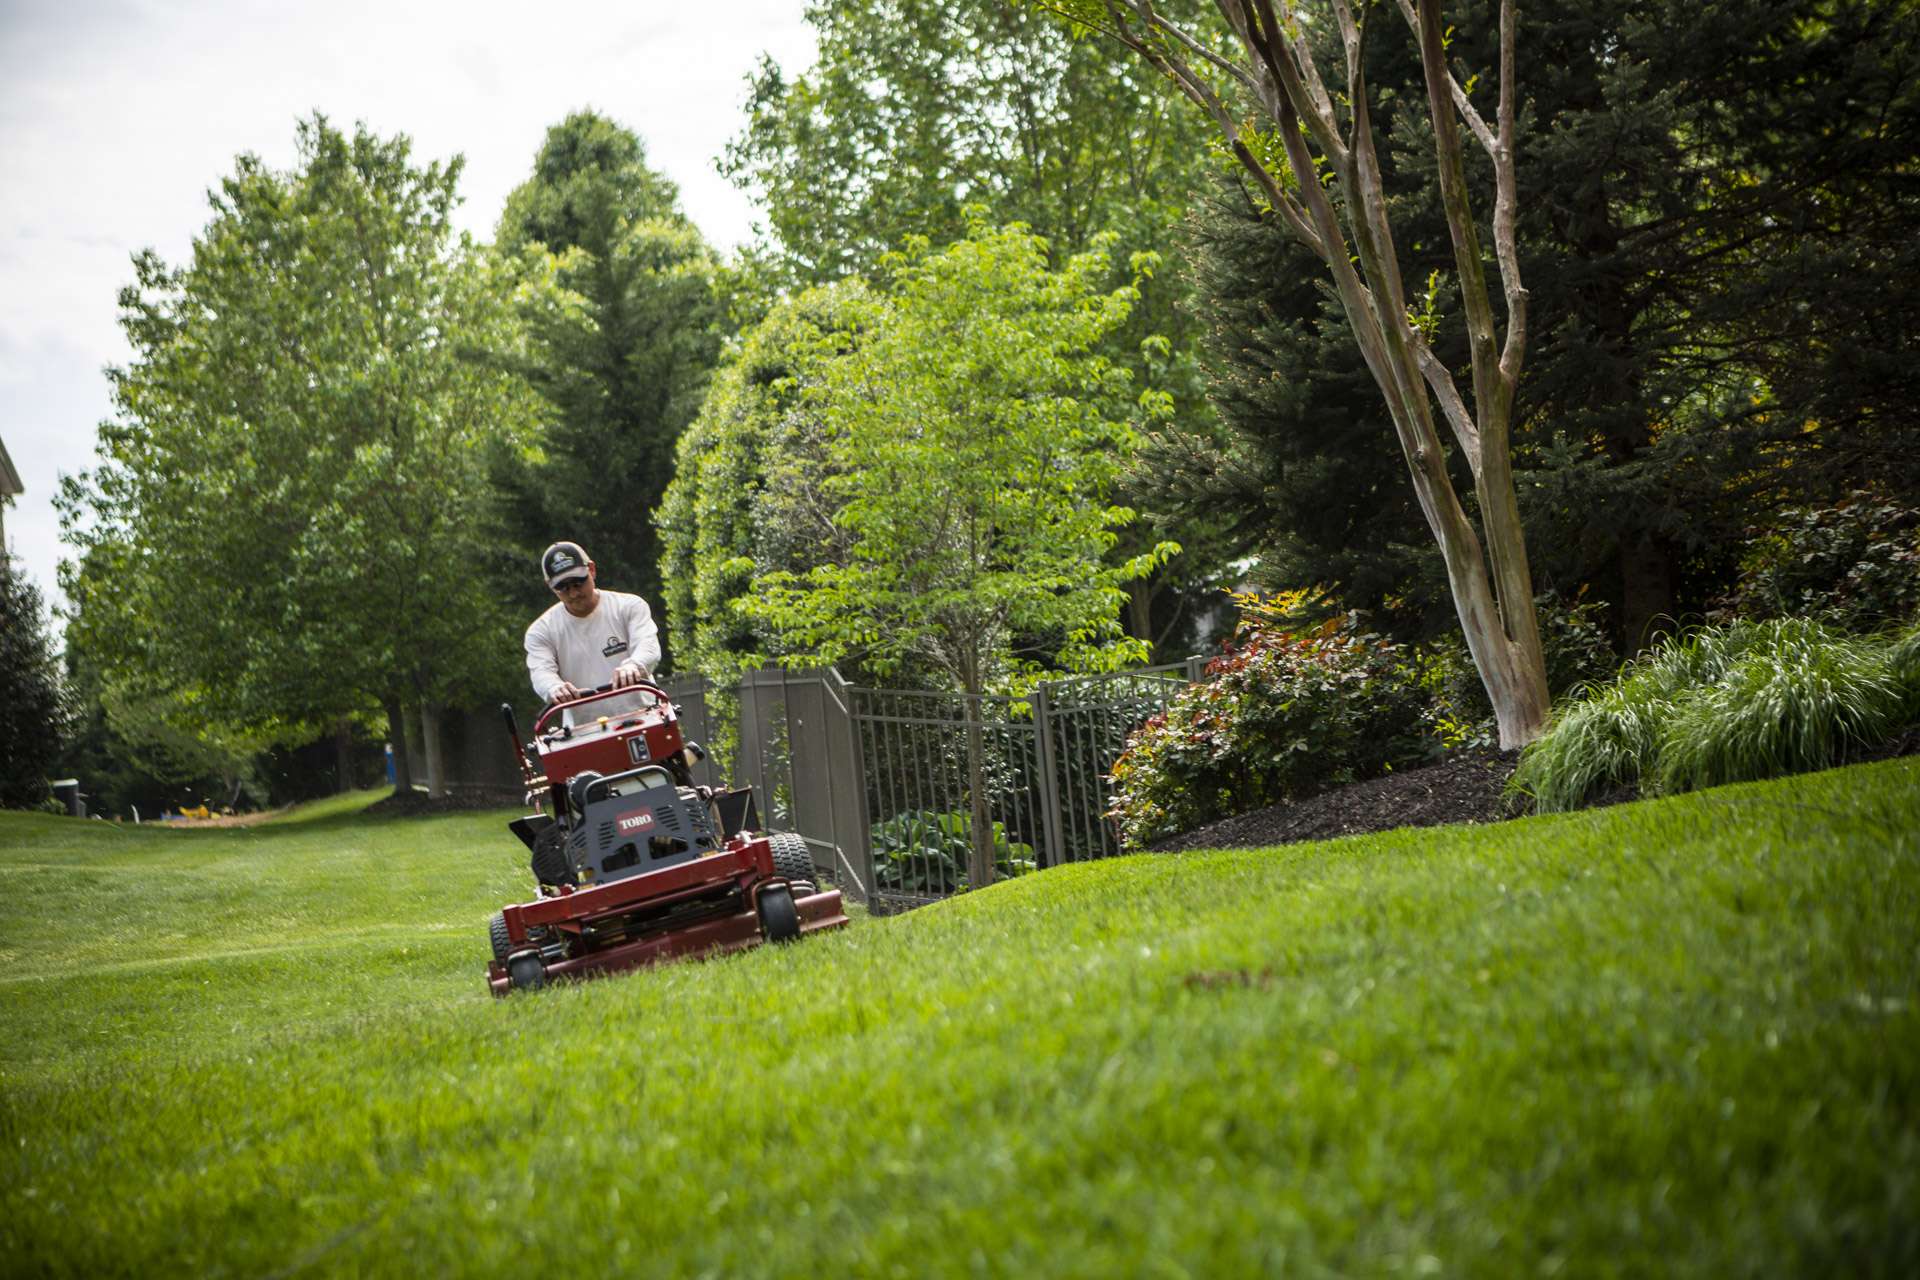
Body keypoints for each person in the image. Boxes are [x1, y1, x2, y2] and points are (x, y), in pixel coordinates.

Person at [524, 541, 662, 714]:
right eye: (563, 588)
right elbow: (541, 671)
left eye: (578, 583)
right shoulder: (541, 632)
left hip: (645, 715)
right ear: (550, 586)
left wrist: (633, 666)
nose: (573, 594)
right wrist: (554, 687)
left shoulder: (629, 606)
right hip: (584, 732)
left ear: (592, 570)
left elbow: (648, 646)